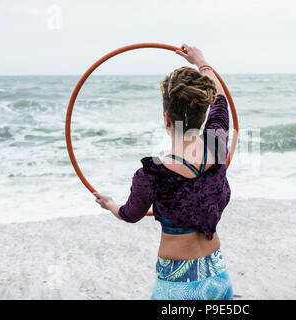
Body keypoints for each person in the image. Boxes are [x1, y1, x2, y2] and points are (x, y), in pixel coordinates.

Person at [94, 43, 233, 300]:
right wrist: (201, 61)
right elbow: (221, 98)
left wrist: (110, 204)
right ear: (204, 117)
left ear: (166, 119)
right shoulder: (218, 142)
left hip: (177, 287)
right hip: (218, 275)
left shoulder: (151, 175)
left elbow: (129, 214)